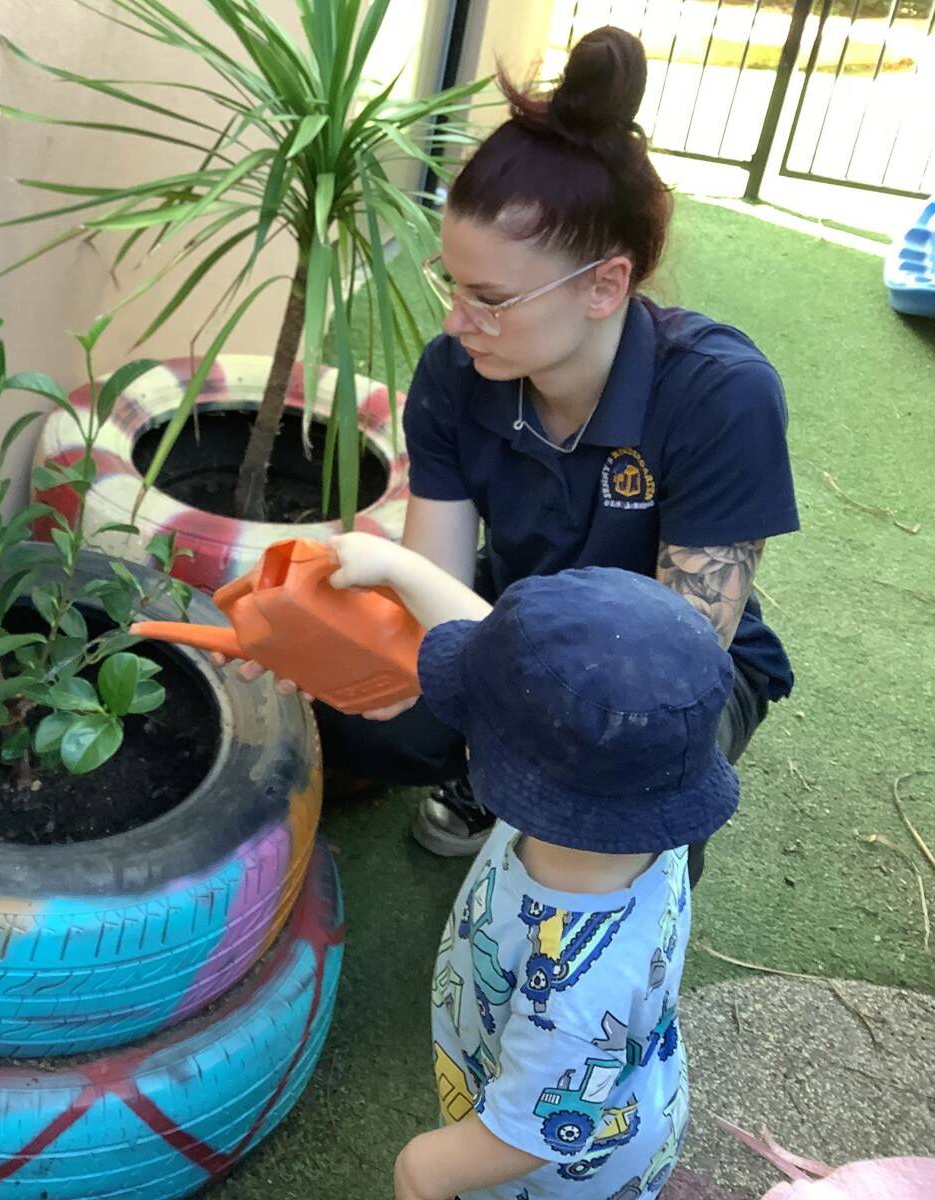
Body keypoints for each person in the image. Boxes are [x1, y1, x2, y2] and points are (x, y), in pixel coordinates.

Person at [299, 26, 797, 885]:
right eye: (451, 285)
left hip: (662, 676)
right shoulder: (460, 370)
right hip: (517, 607)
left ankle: (554, 826)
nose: (458, 321)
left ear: (605, 285)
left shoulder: (722, 394)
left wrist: (467, 661)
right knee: (357, 698)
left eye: (491, 299)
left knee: (621, 775)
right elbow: (433, 598)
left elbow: (670, 672)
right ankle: (491, 771)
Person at [323, 532, 728, 1200]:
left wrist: (423, 1172)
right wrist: (397, 567)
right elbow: (511, 663)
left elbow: (526, 1135)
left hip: (553, 1179)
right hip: (621, 1097)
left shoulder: (578, 991)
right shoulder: (638, 807)